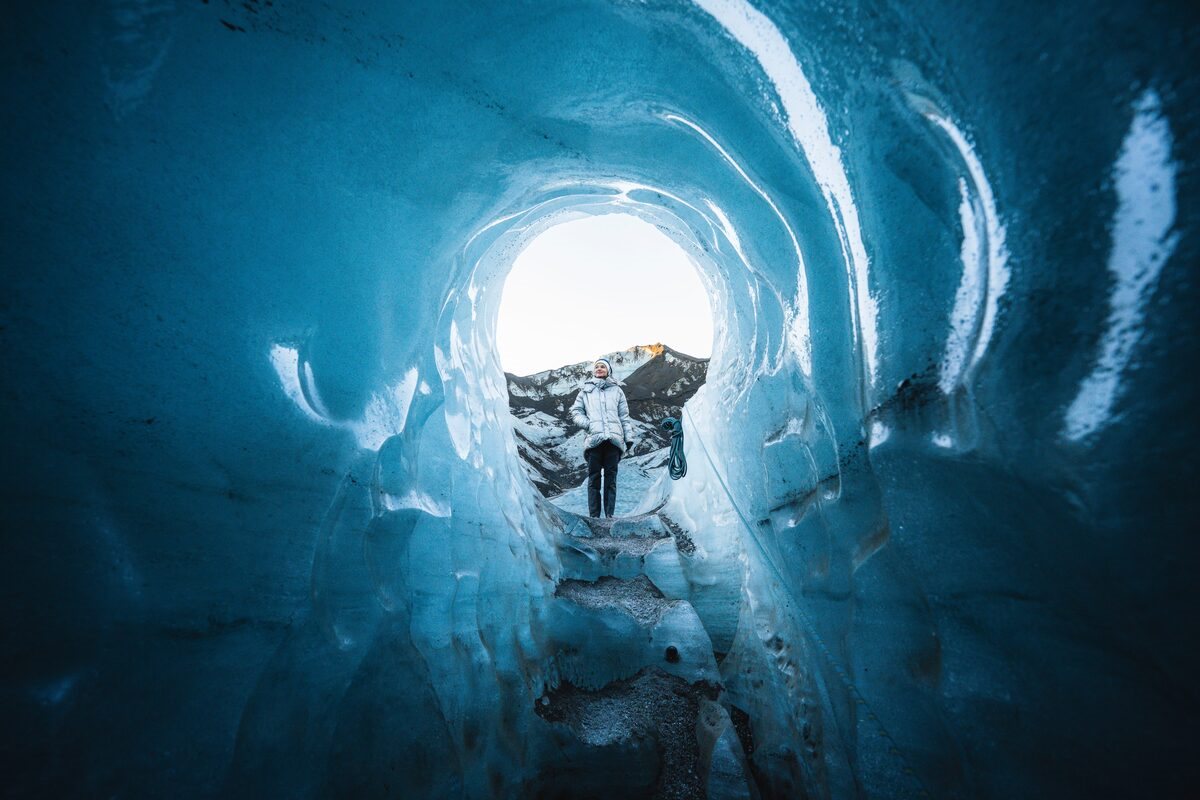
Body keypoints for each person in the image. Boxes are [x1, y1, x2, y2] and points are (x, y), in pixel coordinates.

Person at [569, 358, 634, 518]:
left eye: (602, 366)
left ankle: (609, 516)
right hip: (594, 441)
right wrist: (589, 424)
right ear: (593, 371)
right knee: (594, 479)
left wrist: (628, 437)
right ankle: (594, 516)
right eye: (597, 366)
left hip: (613, 440)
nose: (599, 369)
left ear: (608, 370)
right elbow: (576, 412)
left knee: (611, 480)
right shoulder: (585, 390)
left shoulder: (617, 391)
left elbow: (624, 416)